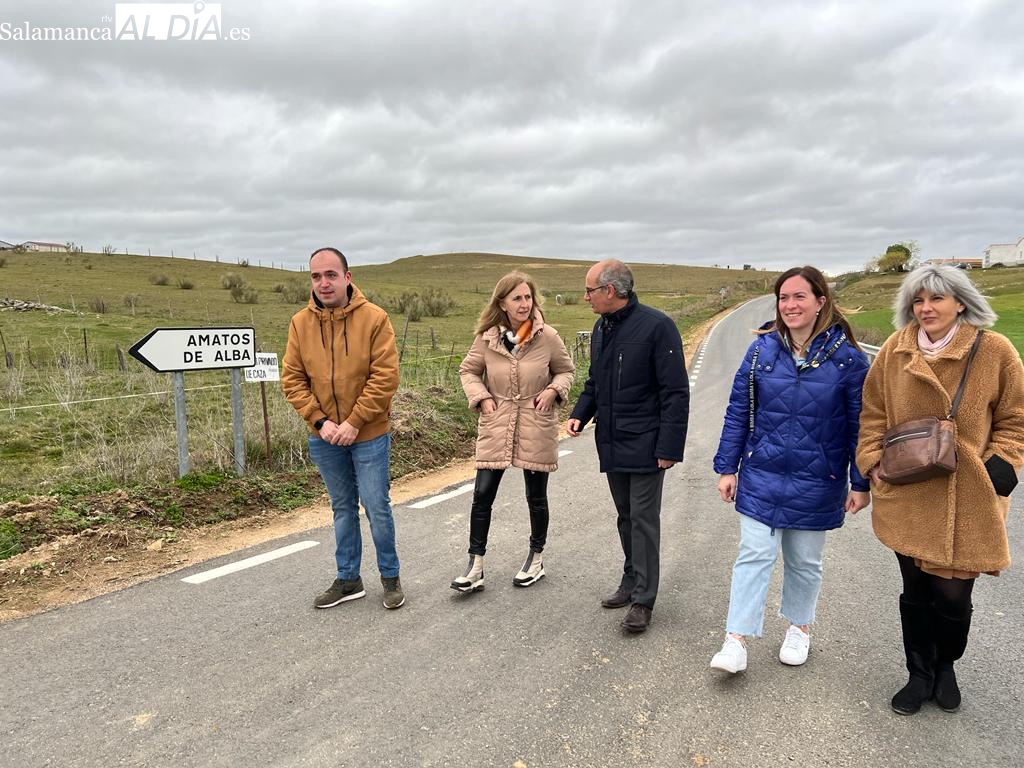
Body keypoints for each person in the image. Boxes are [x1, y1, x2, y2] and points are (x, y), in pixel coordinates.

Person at [856, 264, 1024, 714]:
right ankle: (919, 674)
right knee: (915, 590)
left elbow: (1015, 418)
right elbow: (872, 411)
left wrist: (1001, 467)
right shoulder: (895, 349)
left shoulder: (994, 351)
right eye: (918, 300)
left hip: (967, 494)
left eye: (937, 299)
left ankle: (946, 665)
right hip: (906, 489)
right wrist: (872, 461)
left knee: (952, 597)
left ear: (960, 302)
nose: (926, 308)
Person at [710, 265, 870, 674]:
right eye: (784, 298)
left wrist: (860, 481)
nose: (790, 305)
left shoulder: (849, 361)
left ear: (821, 302)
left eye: (800, 296)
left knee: (804, 562)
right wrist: (727, 467)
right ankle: (736, 639)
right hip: (762, 472)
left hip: (819, 478)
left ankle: (799, 628)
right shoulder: (762, 350)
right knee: (753, 554)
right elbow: (737, 413)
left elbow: (861, 426)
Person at [566, 259, 689, 634]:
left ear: (611, 291)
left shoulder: (658, 326)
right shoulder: (601, 328)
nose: (585, 297)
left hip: (648, 443)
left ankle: (644, 600)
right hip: (612, 440)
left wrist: (669, 446)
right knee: (625, 516)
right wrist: (580, 413)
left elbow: (675, 392)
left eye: (590, 290)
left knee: (643, 519)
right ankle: (631, 578)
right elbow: (595, 382)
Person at [282, 247, 406, 610]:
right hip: (324, 437)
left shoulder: (375, 319)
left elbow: (385, 378)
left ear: (347, 277)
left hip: (368, 434)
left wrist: (353, 423)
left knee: (376, 506)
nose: (323, 283)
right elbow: (292, 379)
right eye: (316, 276)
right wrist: (321, 422)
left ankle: (390, 577)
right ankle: (349, 579)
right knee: (342, 508)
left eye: (331, 275)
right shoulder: (299, 324)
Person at [451, 272, 575, 593]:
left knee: (535, 496)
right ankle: (475, 566)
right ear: (502, 303)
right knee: (482, 495)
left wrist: (553, 390)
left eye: (528, 297)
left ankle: (536, 558)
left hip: (537, 421)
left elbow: (565, 370)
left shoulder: (547, 336)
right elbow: (468, 370)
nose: (524, 303)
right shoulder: (487, 338)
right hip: (496, 421)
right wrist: (482, 396)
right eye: (517, 298)